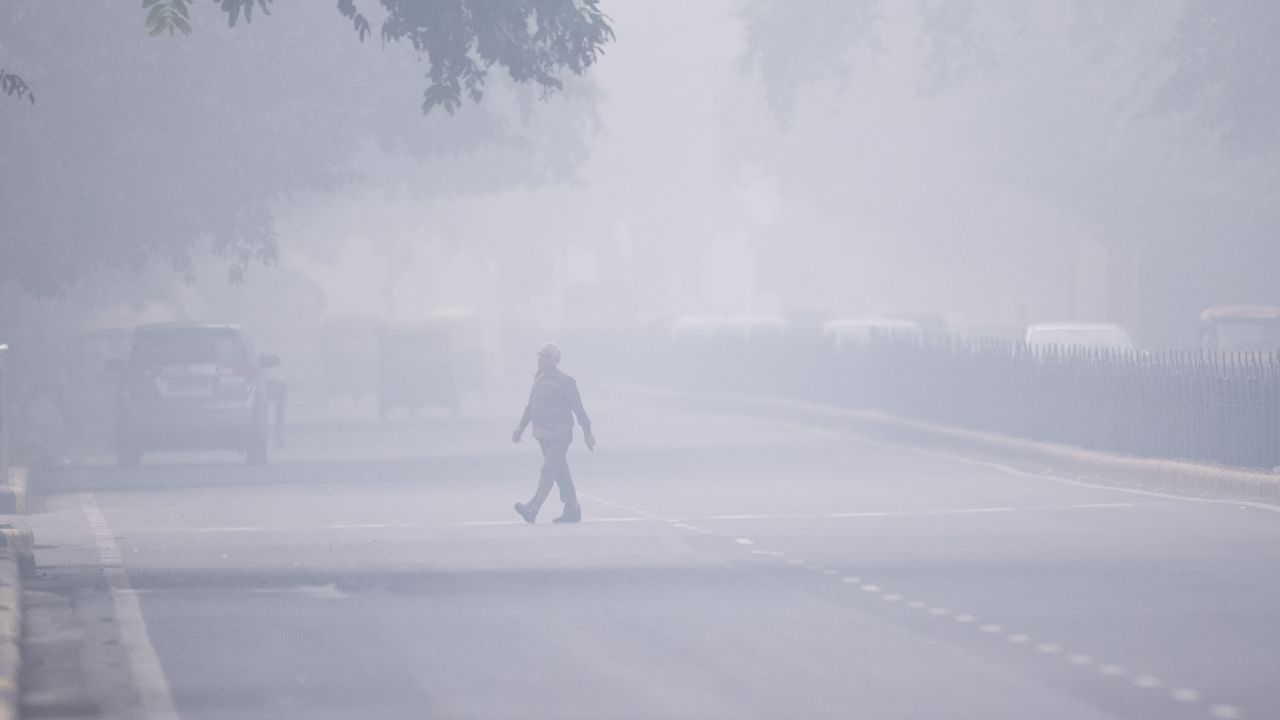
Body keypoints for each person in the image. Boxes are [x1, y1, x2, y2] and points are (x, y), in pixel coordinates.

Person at [512, 342, 595, 524]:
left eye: (544, 356)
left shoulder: (565, 382)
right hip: (542, 434)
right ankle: (572, 509)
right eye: (539, 355)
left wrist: (587, 432)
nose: (540, 359)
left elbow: (578, 409)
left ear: (555, 360)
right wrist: (520, 427)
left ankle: (532, 508)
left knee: (548, 470)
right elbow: (531, 406)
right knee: (560, 472)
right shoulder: (539, 379)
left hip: (559, 435)